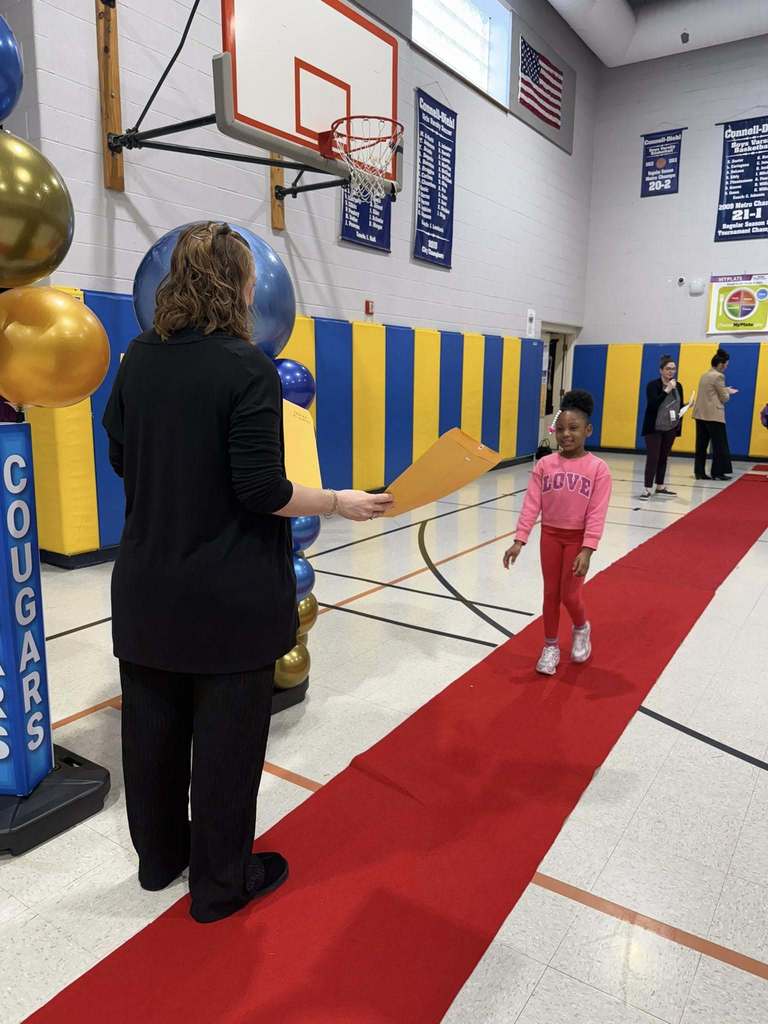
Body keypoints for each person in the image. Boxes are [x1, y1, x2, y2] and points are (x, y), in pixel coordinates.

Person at [103, 222, 392, 924]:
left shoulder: (138, 360)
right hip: (228, 597)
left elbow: (120, 457)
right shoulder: (247, 368)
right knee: (227, 750)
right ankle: (220, 885)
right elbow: (263, 490)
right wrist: (338, 501)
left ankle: (159, 860)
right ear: (236, 285)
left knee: (152, 739)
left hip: (146, 589)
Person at [502, 390, 612, 677]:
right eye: (560, 429)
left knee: (570, 596)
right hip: (550, 536)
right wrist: (519, 540)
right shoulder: (545, 465)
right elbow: (531, 504)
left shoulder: (598, 469)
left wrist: (587, 549)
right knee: (551, 593)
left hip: (577, 540)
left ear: (588, 430)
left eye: (573, 428)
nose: (566, 434)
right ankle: (550, 646)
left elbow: (597, 513)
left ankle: (581, 628)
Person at [639, 355, 684, 500]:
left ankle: (660, 485)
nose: (671, 371)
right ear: (661, 370)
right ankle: (647, 488)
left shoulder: (679, 386)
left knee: (664, 457)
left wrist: (686, 406)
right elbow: (653, 405)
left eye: (673, 369)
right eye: (668, 369)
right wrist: (667, 390)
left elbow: (677, 406)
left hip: (670, 427)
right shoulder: (652, 385)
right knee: (653, 457)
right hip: (654, 427)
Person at [693, 348, 737, 481]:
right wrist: (728, 392)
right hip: (714, 415)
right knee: (719, 445)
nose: (726, 368)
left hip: (700, 414)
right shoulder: (719, 376)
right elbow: (724, 398)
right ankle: (718, 472)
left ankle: (699, 472)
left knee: (701, 445)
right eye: (726, 365)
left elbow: (710, 392)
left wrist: (724, 389)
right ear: (721, 364)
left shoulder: (705, 375)